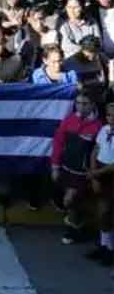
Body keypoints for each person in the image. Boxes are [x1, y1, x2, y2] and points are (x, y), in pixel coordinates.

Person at [51, 94, 102, 245]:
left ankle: (73, 231)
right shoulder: (68, 120)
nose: (80, 106)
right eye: (78, 103)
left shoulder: (99, 126)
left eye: (85, 103)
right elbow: (58, 143)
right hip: (66, 168)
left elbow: (98, 152)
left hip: (83, 173)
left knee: (70, 199)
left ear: (93, 104)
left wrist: (93, 174)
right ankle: (78, 227)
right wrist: (55, 167)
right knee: (70, 203)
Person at [86, 103, 114, 267]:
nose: (112, 118)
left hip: (109, 174)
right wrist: (93, 173)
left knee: (109, 213)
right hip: (99, 171)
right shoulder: (104, 130)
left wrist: (96, 174)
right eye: (109, 115)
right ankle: (103, 246)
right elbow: (95, 150)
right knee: (101, 211)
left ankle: (110, 250)